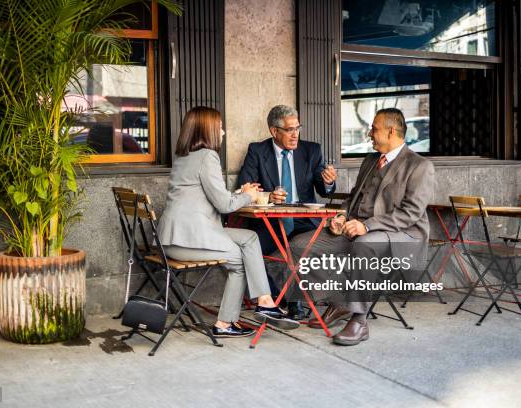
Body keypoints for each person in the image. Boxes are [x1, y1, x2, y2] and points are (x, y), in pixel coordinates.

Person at [291, 108, 434, 346]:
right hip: (359, 228)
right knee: (300, 245)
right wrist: (341, 216)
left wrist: (367, 226)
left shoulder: (420, 166)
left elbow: (411, 214)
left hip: (402, 235)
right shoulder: (370, 160)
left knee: (365, 245)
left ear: (391, 131)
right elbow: (354, 199)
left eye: (374, 129)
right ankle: (339, 300)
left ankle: (359, 319)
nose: (369, 133)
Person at [157, 106, 299, 337]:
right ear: (208, 129)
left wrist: (240, 193)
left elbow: (215, 198)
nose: (222, 132)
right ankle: (225, 323)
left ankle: (264, 301)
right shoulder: (207, 156)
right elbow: (224, 206)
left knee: (250, 238)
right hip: (188, 240)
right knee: (239, 260)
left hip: (176, 235)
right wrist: (249, 196)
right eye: (220, 127)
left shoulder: (184, 156)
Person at [237, 105, 337, 319]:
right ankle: (276, 298)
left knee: (300, 250)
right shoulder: (257, 150)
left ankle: (295, 300)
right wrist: (269, 197)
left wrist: (328, 183)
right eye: (289, 129)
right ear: (274, 131)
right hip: (270, 221)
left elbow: (322, 187)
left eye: (297, 128)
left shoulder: (312, 150)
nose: (295, 135)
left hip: (303, 220)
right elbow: (245, 185)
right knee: (250, 251)